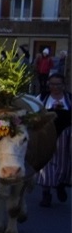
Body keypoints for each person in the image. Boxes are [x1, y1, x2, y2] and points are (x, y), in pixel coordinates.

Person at [37, 72, 70, 207]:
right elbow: (33, 112)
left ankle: (60, 184)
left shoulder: (69, 99)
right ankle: (46, 193)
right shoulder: (42, 98)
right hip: (46, 133)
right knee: (46, 162)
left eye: (58, 84)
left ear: (64, 85)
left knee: (63, 162)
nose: (55, 87)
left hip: (65, 134)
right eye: (52, 84)